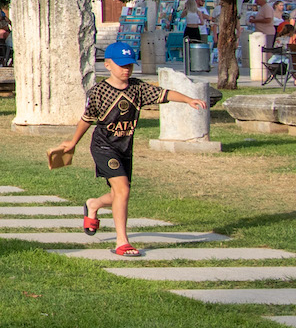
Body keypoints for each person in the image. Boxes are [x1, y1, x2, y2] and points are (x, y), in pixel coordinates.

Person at [55, 39, 205, 257]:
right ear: (107, 65)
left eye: (130, 65)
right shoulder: (99, 92)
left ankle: (94, 204)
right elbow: (87, 119)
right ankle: (122, 242)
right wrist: (73, 142)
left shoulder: (138, 88)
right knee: (122, 190)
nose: (126, 69)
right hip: (103, 146)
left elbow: (165, 94)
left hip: (125, 148)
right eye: (121, 65)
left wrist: (188, 99)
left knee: (120, 193)